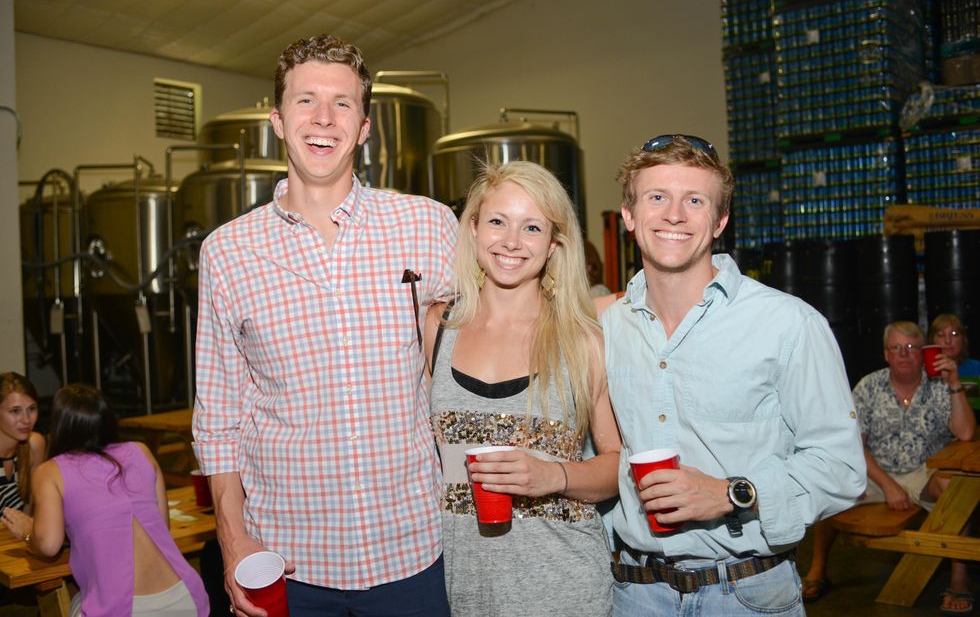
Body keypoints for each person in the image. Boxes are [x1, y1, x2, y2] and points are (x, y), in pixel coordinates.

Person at [192, 34, 457, 617]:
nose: (323, 118)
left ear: (364, 127)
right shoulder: (227, 252)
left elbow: (500, 333)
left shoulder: (428, 226)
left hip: (413, 552)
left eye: (343, 103)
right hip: (289, 561)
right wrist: (233, 541)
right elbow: (218, 418)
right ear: (277, 121)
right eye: (305, 100)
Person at [600, 134, 866, 616]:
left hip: (747, 595)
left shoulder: (788, 324)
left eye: (694, 200)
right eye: (657, 197)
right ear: (630, 216)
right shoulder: (604, 328)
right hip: (633, 594)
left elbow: (843, 470)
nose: (674, 214)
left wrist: (731, 493)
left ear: (719, 221)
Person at [425, 161, 621, 616]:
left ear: (554, 244)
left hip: (565, 589)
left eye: (531, 227)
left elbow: (617, 466)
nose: (511, 242)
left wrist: (554, 476)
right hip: (461, 589)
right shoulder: (438, 327)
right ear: (472, 228)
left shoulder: (583, 339)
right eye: (497, 221)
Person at [802, 321, 976, 612]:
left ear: (923, 353)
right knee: (828, 484)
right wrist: (887, 484)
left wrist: (955, 383)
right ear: (886, 354)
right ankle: (818, 569)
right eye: (896, 348)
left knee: (956, 487)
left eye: (911, 348)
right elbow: (854, 444)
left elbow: (967, 434)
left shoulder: (939, 385)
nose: (904, 354)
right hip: (876, 472)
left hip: (925, 472)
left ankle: (959, 578)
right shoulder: (869, 386)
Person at [1, 384, 208, 616]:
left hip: (124, 608)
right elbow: (161, 527)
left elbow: (49, 545)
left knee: (74, 601)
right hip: (186, 596)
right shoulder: (141, 450)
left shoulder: (50, 471)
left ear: (59, 425)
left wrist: (28, 532)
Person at [0, 372, 45, 513]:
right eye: (15, 411)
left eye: (31, 409)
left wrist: (26, 534)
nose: (26, 420)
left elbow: (29, 512)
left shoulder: (34, 445)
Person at [929, 313, 980, 379]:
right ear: (932, 340)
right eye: (941, 335)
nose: (948, 341)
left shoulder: (977, 369)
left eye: (954, 334)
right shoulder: (921, 372)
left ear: (963, 339)